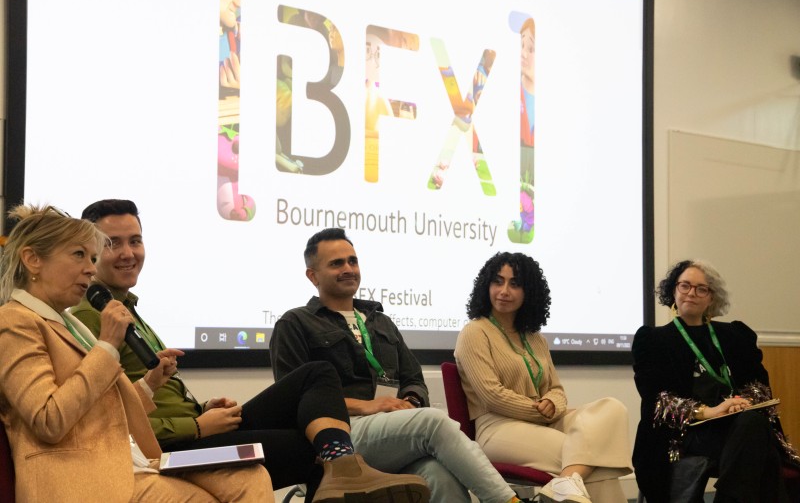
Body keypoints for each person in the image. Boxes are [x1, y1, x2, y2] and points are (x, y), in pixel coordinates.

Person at [71, 199, 429, 503]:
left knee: (316, 375)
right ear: (89, 251)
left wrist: (203, 408)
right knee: (308, 448)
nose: (128, 253)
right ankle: (344, 468)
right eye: (112, 243)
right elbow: (106, 418)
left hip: (195, 428)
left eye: (135, 240)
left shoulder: (126, 308)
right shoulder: (92, 317)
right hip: (171, 448)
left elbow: (146, 392)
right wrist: (195, 425)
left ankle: (344, 465)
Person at [0, 204, 271, 502]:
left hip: (130, 461)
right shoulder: (14, 321)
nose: (91, 268)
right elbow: (48, 420)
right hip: (79, 477)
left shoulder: (69, 323)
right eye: (79, 255)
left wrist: (149, 384)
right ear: (32, 259)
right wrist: (106, 346)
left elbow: (102, 407)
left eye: (92, 258)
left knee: (250, 474)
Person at [270, 227, 524, 503]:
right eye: (336, 263)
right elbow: (295, 402)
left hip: (392, 430)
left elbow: (413, 378)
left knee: (439, 474)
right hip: (338, 435)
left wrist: (410, 403)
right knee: (434, 423)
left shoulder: (381, 322)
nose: (348, 269)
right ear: (312, 275)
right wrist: (368, 405)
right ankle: (507, 501)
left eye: (352, 261)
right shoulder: (295, 324)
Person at [455, 252, 632, 503]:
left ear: (529, 292)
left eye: (514, 284)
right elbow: (491, 395)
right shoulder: (474, 332)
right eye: (498, 281)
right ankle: (568, 482)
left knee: (612, 408)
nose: (504, 290)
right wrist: (539, 409)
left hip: (543, 422)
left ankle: (566, 484)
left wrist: (553, 403)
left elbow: (556, 389)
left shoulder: (535, 338)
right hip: (497, 428)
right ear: (486, 286)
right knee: (592, 457)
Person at [632, 259, 798, 503]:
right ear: (673, 291)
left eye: (701, 289)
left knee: (753, 422)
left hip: (737, 425)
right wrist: (710, 411)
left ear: (711, 298)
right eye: (685, 286)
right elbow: (658, 400)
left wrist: (741, 403)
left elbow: (760, 385)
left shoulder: (734, 335)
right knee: (763, 450)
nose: (692, 293)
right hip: (687, 431)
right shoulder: (653, 340)